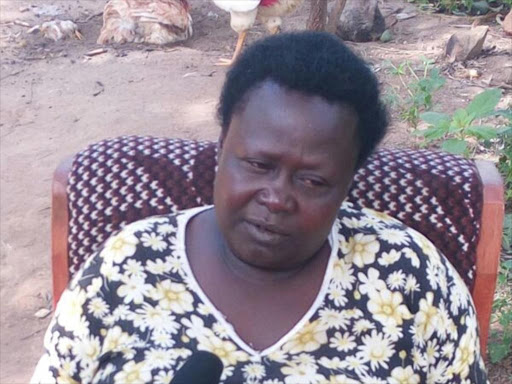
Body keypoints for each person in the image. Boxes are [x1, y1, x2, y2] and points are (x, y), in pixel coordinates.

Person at [31, 32, 488, 384]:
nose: (276, 198)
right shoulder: (124, 268)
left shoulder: (410, 278)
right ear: (222, 146)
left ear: (348, 183)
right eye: (257, 164)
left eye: (313, 180)